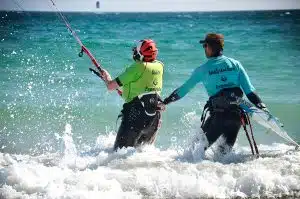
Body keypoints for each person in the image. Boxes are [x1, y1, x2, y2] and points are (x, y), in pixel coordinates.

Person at [162, 33, 268, 155]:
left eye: (204, 46)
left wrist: (166, 101)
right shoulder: (235, 64)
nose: (204, 49)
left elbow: (183, 90)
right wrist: (262, 107)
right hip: (236, 118)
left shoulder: (203, 69)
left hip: (218, 118)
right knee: (223, 157)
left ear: (209, 47)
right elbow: (250, 92)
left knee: (192, 152)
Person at [100, 39, 164, 151]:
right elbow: (144, 88)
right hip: (154, 120)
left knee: (118, 156)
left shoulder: (137, 67)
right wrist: (124, 92)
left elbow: (110, 86)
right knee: (141, 155)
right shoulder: (159, 66)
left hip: (135, 118)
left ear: (140, 54)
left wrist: (107, 78)